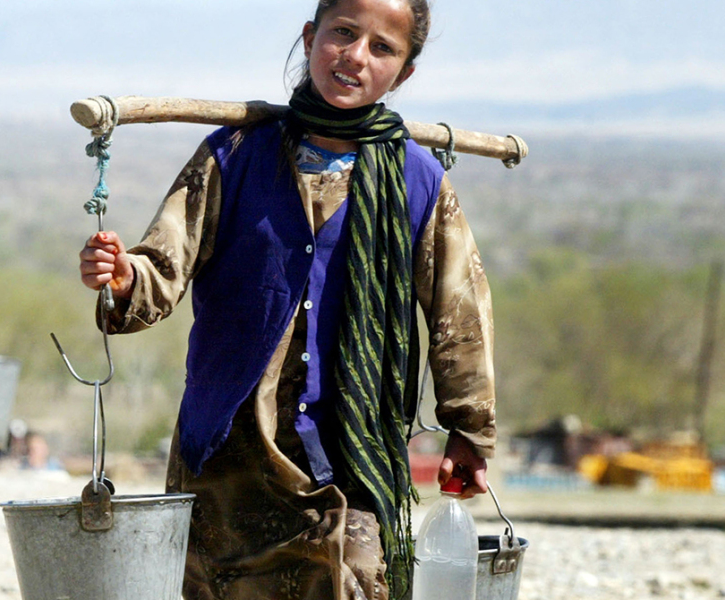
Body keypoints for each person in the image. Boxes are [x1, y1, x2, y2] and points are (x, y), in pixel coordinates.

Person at [78, 1, 496, 599]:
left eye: (382, 47)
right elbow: (162, 267)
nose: (356, 56)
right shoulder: (232, 157)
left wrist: (469, 431)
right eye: (343, 33)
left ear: (403, 72)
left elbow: (462, 313)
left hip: (350, 451)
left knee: (354, 579)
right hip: (228, 454)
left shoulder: (417, 180)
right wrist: (122, 277)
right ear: (310, 37)